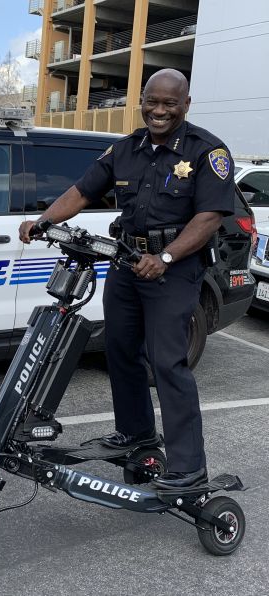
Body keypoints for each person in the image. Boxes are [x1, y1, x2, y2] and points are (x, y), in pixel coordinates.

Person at [19, 69, 235, 489]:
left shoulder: (208, 152)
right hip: (126, 263)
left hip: (174, 270)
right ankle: (136, 434)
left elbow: (209, 218)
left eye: (169, 104)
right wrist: (43, 221)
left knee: (168, 363)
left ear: (185, 104)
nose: (158, 111)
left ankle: (189, 467)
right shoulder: (125, 148)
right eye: (152, 101)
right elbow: (82, 192)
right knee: (119, 352)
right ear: (142, 100)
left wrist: (167, 256)